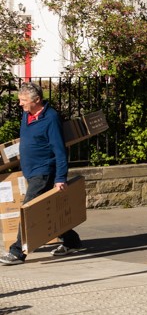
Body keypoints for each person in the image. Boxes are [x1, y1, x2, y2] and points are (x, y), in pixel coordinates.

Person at [2, 83, 82, 264]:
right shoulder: (27, 115)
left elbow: (60, 150)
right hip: (31, 171)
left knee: (27, 209)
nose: (20, 104)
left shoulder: (51, 118)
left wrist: (60, 178)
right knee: (51, 210)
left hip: (44, 172)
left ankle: (17, 252)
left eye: (24, 101)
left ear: (37, 100)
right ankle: (72, 241)